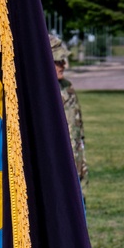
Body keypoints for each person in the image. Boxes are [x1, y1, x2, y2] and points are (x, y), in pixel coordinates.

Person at [51, 34, 87, 199]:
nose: (63, 65)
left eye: (63, 60)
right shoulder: (37, 93)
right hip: (55, 173)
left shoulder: (67, 87)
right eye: (58, 61)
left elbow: (78, 130)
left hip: (77, 167)